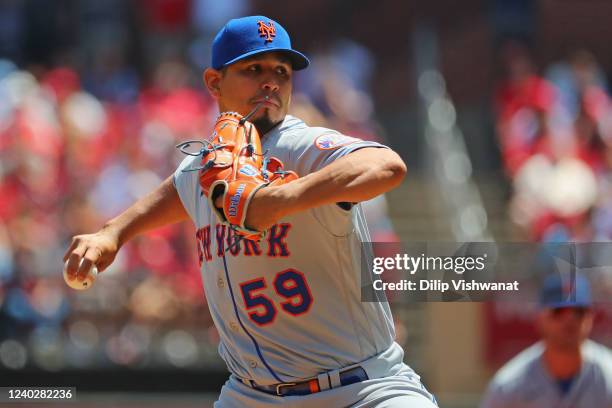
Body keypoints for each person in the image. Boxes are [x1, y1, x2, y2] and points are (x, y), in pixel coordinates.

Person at [64, 15, 438, 407]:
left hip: (361, 388)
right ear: (213, 82)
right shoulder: (209, 167)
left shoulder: (299, 144)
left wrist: (278, 201)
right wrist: (113, 232)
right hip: (251, 395)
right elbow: (178, 189)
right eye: (253, 69)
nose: (271, 82)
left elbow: (385, 165)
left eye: (282, 71)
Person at [480, 274, 612, 408]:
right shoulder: (509, 385)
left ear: (591, 317)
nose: (569, 319)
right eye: (558, 311)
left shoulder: (608, 375)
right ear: (539, 317)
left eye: (579, 312)